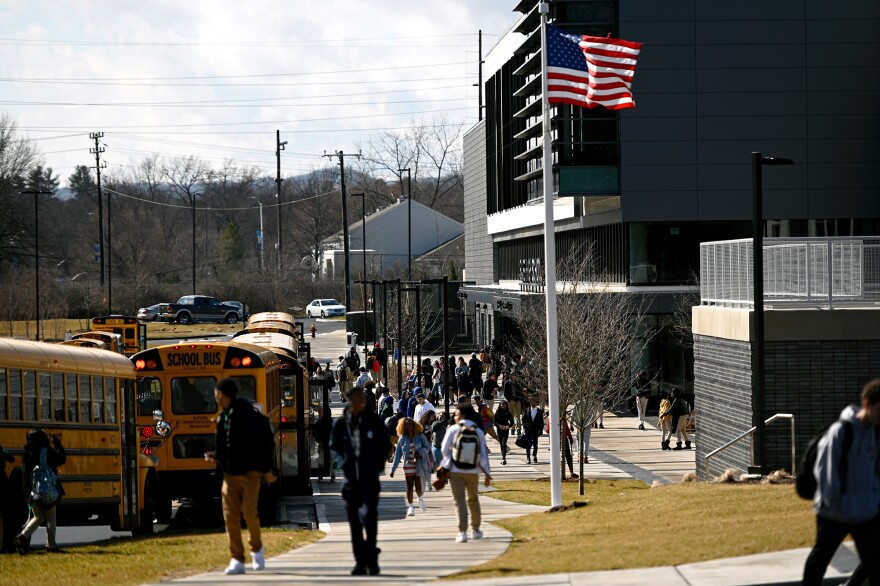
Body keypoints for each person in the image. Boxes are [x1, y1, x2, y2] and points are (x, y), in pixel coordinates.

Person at [803, 380, 880, 586]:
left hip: (864, 511)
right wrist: (835, 503)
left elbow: (875, 473)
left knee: (874, 562)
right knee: (820, 560)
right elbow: (825, 471)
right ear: (867, 404)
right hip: (835, 512)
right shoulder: (841, 432)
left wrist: (873, 501)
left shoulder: (874, 434)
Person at [205, 378, 276, 575]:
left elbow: (261, 444)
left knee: (248, 512)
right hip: (230, 473)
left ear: (221, 394)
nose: (215, 395)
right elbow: (227, 446)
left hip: (251, 472)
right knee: (230, 516)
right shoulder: (223, 417)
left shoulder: (245, 414)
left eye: (216, 392)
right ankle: (237, 558)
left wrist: (267, 471)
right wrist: (216, 456)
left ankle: (256, 551)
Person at [330, 385, 392, 576]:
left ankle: (371, 560)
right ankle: (360, 563)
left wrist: (376, 465)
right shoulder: (341, 424)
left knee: (369, 519)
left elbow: (386, 445)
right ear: (350, 401)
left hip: (369, 480)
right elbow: (334, 447)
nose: (361, 404)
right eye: (357, 401)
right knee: (355, 525)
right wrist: (344, 463)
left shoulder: (373, 421)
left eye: (363, 400)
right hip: (350, 483)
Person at [438, 404, 491, 543]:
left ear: (462, 415)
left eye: (456, 415)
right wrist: (487, 473)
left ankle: (462, 532)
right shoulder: (478, 431)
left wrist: (447, 463)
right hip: (473, 471)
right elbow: (483, 454)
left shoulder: (453, 429)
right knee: (473, 499)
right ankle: (476, 530)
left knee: (459, 500)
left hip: (455, 471)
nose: (454, 417)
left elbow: (444, 449)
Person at [14, 429, 66, 554]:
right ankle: (51, 545)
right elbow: (61, 459)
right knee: (51, 518)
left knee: (38, 516)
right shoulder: (45, 451)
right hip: (46, 491)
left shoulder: (27, 454)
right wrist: (57, 444)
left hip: (31, 491)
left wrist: (28, 491)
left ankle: (22, 536)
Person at [390, 418, 430, 516]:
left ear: (414, 425)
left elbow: (427, 447)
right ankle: (411, 507)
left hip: (419, 464)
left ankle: (420, 498)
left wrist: (421, 452)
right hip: (408, 464)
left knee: (418, 485)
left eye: (410, 424)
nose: (409, 427)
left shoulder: (420, 436)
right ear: (403, 427)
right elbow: (397, 455)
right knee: (409, 486)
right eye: (406, 425)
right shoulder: (402, 439)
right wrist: (393, 470)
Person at [521, 396, 544, 464]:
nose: (533, 404)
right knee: (528, 444)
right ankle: (528, 458)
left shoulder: (539, 411)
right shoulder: (527, 410)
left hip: (535, 430)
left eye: (534, 403)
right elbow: (523, 419)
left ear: (536, 404)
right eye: (531, 403)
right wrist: (524, 426)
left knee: (535, 444)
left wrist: (540, 430)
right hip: (528, 429)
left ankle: (534, 456)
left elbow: (541, 422)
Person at [0, 444, 14, 553]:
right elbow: (11, 458)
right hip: (2, 479)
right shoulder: (1, 450)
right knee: (4, 516)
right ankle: (4, 544)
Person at [494, 399, 514, 465]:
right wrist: (499, 425)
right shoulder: (497, 412)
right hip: (499, 430)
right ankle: (503, 456)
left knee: (503, 443)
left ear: (506, 405)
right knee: (501, 444)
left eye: (504, 404)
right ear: (500, 405)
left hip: (506, 430)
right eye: (502, 404)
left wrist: (508, 426)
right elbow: (494, 422)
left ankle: (503, 458)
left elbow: (512, 422)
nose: (503, 406)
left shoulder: (508, 413)